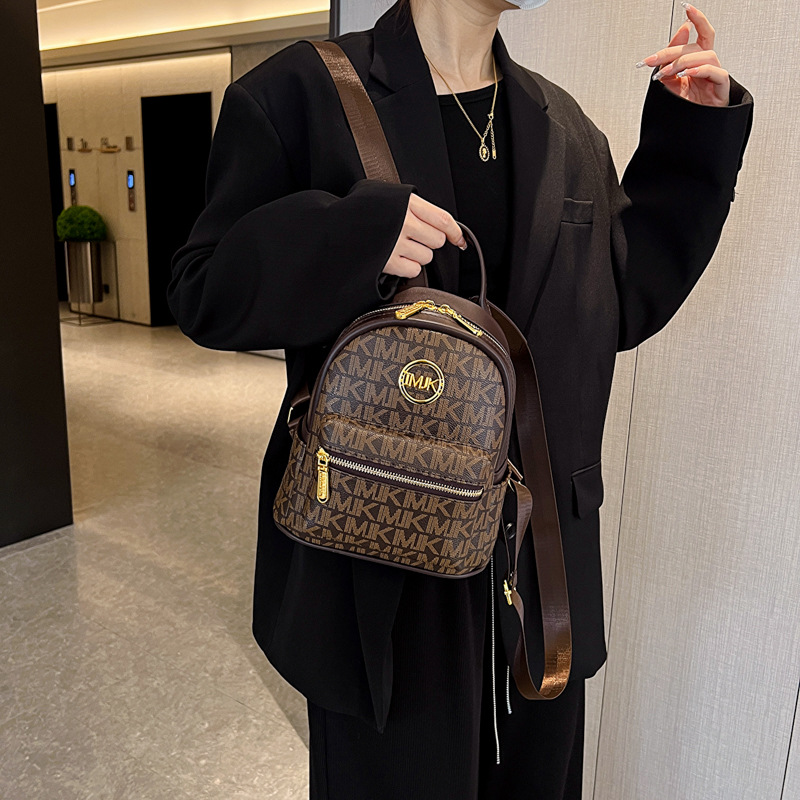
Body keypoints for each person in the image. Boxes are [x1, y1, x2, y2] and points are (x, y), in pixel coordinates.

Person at [167, 0, 754, 796]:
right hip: (381, 557)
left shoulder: (562, 125)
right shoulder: (299, 94)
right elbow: (204, 290)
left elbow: (622, 301)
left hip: (538, 562)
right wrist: (351, 238)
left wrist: (692, 141)